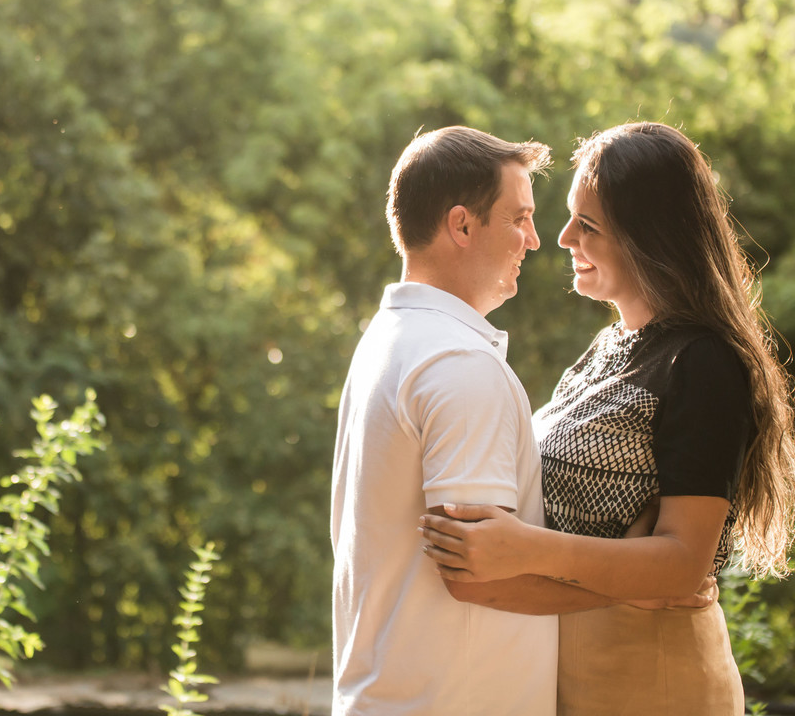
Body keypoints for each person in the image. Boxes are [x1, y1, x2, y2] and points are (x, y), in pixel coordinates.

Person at [420, 121, 795, 714]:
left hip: (652, 674)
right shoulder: (608, 348)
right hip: (578, 668)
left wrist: (527, 549)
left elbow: (683, 564)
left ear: (652, 237)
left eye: (588, 225)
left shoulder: (703, 363)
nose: (563, 237)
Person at [332, 125, 582, 716]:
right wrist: (634, 593)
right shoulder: (458, 362)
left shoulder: (388, 341)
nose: (535, 240)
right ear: (462, 225)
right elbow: (478, 575)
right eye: (519, 218)